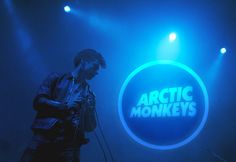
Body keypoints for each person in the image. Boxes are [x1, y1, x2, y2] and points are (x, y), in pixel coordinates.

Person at [20, 49, 106, 162]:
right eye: (95, 66)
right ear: (83, 61)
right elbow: (38, 102)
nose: (97, 72)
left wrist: (90, 110)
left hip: (70, 146)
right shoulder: (55, 78)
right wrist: (62, 106)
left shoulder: (89, 93)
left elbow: (90, 127)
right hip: (44, 138)